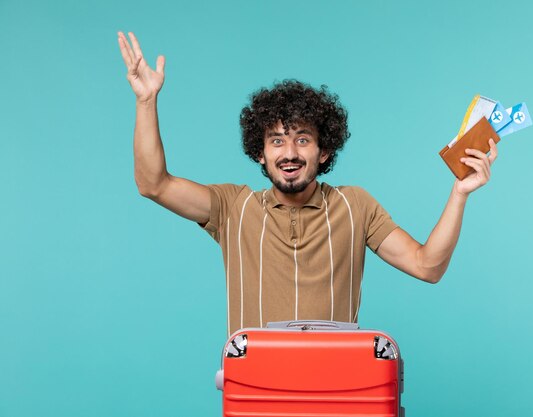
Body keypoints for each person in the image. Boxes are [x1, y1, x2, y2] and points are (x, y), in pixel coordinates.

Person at [118, 32, 498, 335]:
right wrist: (146, 102)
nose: (290, 153)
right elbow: (153, 183)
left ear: (324, 151)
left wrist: (459, 193)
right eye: (276, 140)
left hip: (336, 392)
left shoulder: (356, 206)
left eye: (302, 139)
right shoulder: (232, 207)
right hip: (256, 390)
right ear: (259, 153)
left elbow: (427, 266)